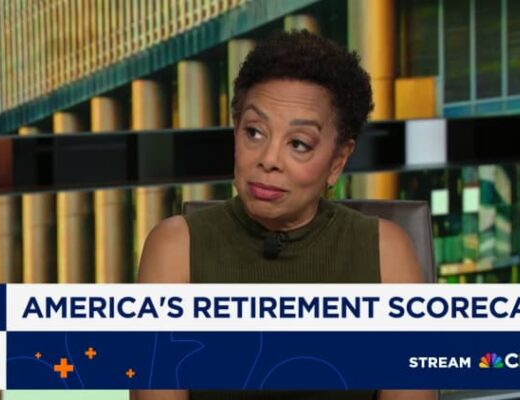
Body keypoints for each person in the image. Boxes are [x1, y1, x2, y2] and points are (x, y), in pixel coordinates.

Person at [133, 30, 435, 400]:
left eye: (298, 144)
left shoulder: (386, 252)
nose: (269, 159)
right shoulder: (175, 248)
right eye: (254, 132)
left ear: (337, 161)